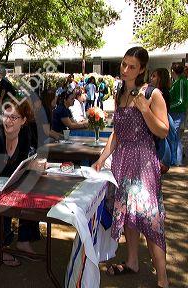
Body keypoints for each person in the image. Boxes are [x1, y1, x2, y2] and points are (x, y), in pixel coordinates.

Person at [92, 47, 169, 288]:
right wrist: (103, 158)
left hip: (143, 162)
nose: (125, 70)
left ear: (142, 69)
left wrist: (145, 110)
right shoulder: (119, 93)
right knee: (127, 214)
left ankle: (163, 280)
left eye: (132, 66)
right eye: (124, 64)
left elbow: (163, 130)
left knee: (149, 218)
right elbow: (117, 132)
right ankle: (133, 261)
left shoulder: (152, 94)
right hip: (123, 160)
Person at [0, 98, 45, 267]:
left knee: (31, 187)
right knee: (5, 196)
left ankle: (24, 240)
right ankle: (1, 247)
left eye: (14, 117)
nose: (8, 121)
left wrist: (35, 164)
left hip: (5, 179)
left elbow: (27, 158)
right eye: (6, 116)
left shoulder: (26, 134)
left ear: (23, 120)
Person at [169, 62, 188, 166]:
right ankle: (175, 160)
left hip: (177, 113)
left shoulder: (180, 82)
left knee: (175, 137)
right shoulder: (177, 82)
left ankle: (176, 160)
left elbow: (180, 100)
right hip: (175, 113)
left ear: (173, 71)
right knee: (175, 137)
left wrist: (168, 107)